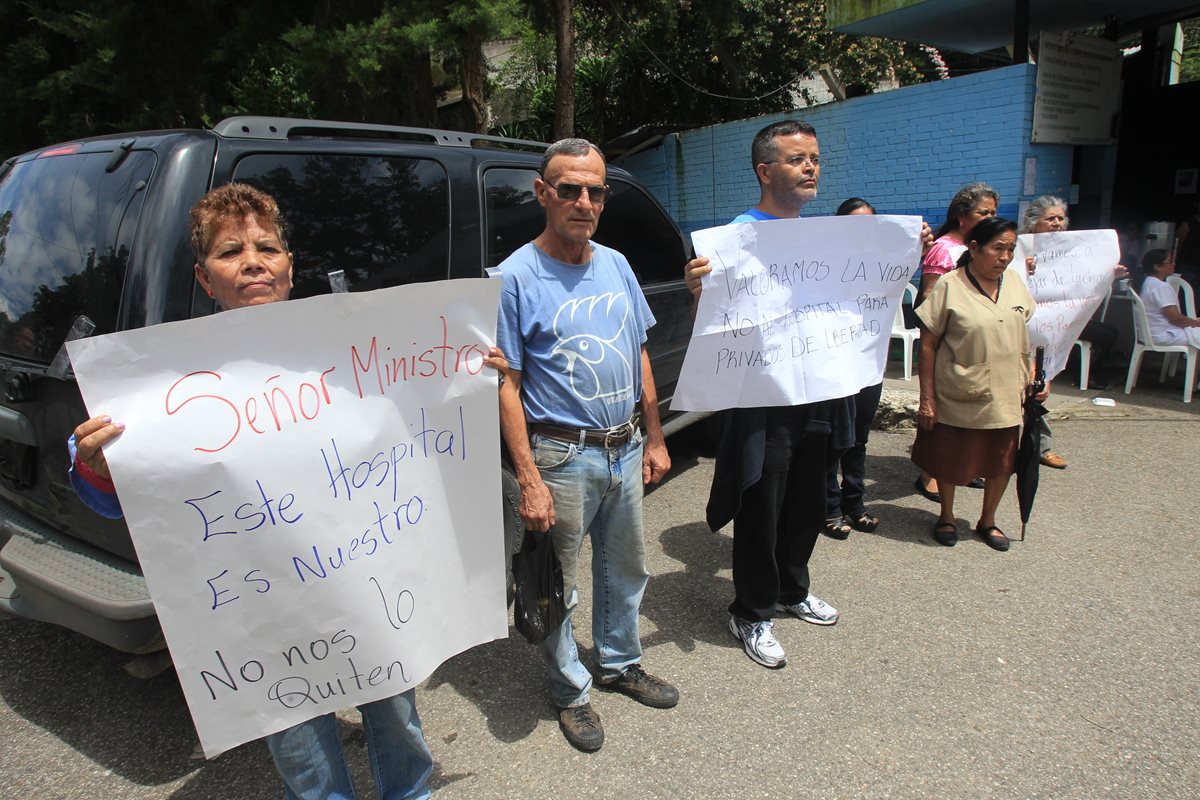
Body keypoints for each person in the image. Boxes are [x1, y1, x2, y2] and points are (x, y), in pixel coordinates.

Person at [70, 184, 501, 800]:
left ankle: (411, 793)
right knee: (301, 748)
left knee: (396, 712)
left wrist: (467, 373)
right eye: (230, 252)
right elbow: (113, 497)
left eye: (266, 247)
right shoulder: (159, 379)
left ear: (289, 266)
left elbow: (421, 416)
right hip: (263, 614)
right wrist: (96, 466)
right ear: (204, 276)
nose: (252, 261)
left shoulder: (356, 345)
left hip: (367, 587)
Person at [683, 121, 933, 668]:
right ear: (765, 171)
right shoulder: (736, 238)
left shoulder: (829, 239)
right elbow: (715, 320)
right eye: (798, 159)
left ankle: (792, 590)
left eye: (815, 158)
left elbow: (867, 291)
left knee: (808, 500)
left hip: (822, 391)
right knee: (761, 503)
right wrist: (701, 288)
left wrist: (905, 250)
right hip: (763, 399)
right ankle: (751, 610)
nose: (811, 167)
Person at [495, 138, 678, 752]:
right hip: (562, 456)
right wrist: (528, 478)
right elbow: (507, 383)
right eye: (568, 188)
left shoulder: (617, 264)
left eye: (595, 190)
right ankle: (569, 688)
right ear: (542, 193)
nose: (583, 201)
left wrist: (654, 436)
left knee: (625, 568)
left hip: (623, 446)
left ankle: (620, 663)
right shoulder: (514, 278)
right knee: (557, 583)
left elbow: (640, 351)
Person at [912, 216, 1041, 552]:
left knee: (1001, 461)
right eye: (998, 248)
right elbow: (927, 345)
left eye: (1010, 249)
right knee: (951, 458)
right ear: (974, 247)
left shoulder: (1014, 282)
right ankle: (948, 516)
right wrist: (927, 399)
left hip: (1007, 390)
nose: (1005, 256)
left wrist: (1035, 374)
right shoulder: (950, 286)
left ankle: (988, 520)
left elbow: (1029, 332)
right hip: (960, 390)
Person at [1019, 196, 1125, 469]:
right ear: (1034, 222)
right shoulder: (1018, 247)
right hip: (1020, 327)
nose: (1056, 223)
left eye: (1060, 218)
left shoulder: (1075, 250)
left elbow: (1084, 283)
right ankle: (1009, 449)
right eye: (1049, 218)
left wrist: (1107, 275)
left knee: (1040, 388)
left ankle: (1039, 447)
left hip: (1050, 331)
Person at [913, 182, 1000, 502]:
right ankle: (929, 474)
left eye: (993, 211)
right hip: (948, 342)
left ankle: (958, 465)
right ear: (962, 217)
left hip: (974, 344)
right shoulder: (945, 249)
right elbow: (929, 299)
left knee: (966, 409)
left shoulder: (984, 249)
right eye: (983, 212)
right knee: (938, 410)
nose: (990, 216)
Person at [823, 197, 883, 539]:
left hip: (868, 366)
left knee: (859, 439)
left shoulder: (883, 265)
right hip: (834, 366)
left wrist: (915, 247)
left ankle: (855, 504)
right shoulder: (826, 263)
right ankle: (830, 507)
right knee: (834, 440)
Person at [1132, 248, 1200, 346]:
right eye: (1170, 262)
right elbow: (1175, 318)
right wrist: (1196, 323)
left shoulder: (1146, 283)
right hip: (1164, 335)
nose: (1174, 264)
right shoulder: (1160, 286)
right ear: (1157, 267)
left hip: (1150, 334)